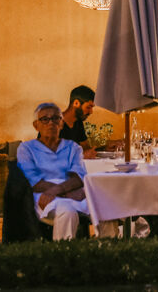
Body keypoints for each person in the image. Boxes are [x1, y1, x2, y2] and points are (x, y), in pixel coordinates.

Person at [16, 102, 93, 240]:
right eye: (45, 119)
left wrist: (56, 191)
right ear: (36, 125)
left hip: (69, 194)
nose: (51, 123)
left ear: (62, 123)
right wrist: (62, 192)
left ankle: (109, 253)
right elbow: (33, 181)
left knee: (106, 208)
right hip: (44, 197)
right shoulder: (26, 149)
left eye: (56, 118)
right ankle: (62, 255)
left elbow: (78, 177)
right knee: (67, 211)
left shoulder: (73, 147)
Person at [59, 85, 96, 158]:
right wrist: (81, 155)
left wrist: (106, 148)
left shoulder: (78, 123)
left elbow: (86, 150)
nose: (91, 112)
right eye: (88, 107)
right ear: (76, 103)